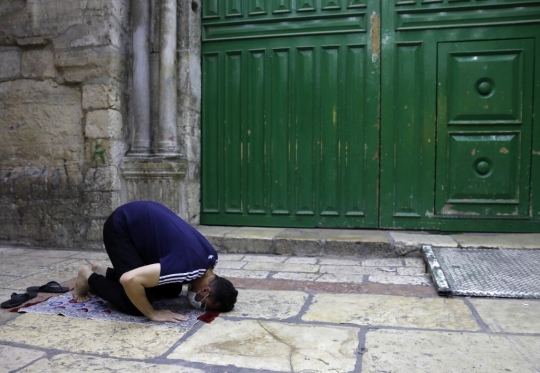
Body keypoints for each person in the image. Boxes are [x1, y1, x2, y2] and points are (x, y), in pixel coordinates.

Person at [72, 201, 238, 323]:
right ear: (206, 289)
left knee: (171, 288)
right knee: (135, 304)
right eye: (204, 305)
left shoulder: (210, 259)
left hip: (140, 222)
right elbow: (129, 280)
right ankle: (89, 277)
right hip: (122, 227)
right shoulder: (187, 267)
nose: (200, 306)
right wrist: (152, 313)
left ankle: (105, 272)